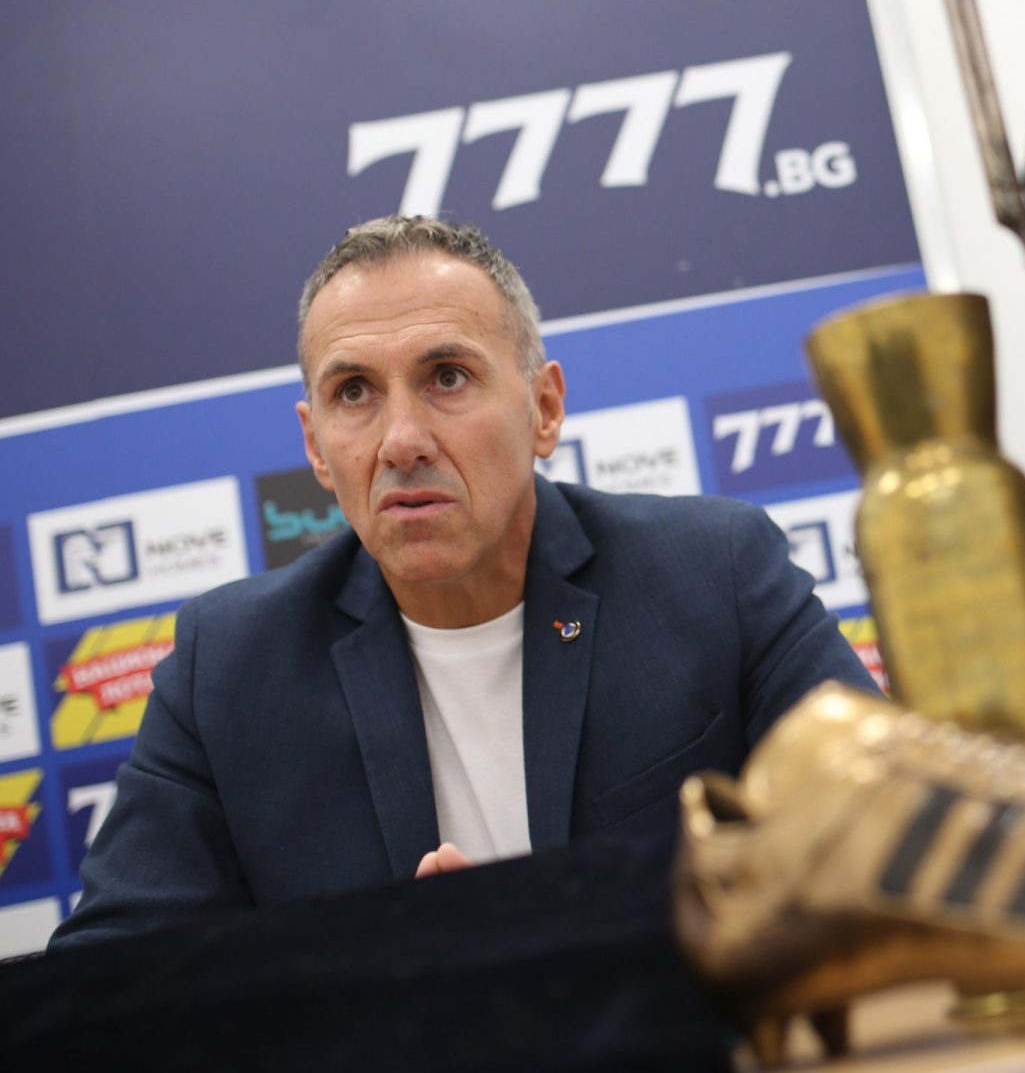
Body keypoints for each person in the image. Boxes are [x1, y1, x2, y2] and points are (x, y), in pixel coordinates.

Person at [51, 216, 875, 949]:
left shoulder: (715, 573)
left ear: (543, 408)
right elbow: (103, 981)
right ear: (315, 446)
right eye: (354, 393)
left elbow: (885, 835)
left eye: (447, 376)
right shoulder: (228, 667)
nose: (401, 440)